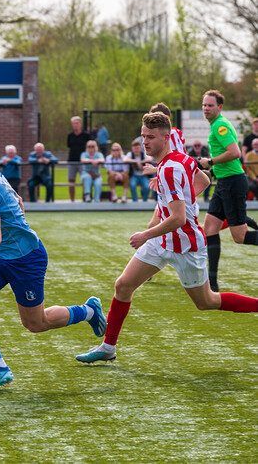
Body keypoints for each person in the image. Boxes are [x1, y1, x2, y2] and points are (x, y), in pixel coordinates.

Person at [75, 112, 258, 364]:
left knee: (207, 302)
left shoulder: (169, 169)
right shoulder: (181, 160)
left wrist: (145, 233)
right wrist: (178, 200)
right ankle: (108, 347)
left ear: (166, 137)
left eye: (150, 137)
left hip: (186, 246)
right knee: (123, 285)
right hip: (162, 242)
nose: (145, 142)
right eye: (142, 136)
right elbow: (202, 180)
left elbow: (179, 219)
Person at [0, 127, 106, 391]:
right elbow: (16, 198)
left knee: (35, 323)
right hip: (1, 254)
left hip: (25, 258)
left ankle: (88, 311)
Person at [198, 90, 258, 292]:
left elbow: (235, 152)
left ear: (219, 107)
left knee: (239, 237)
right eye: (204, 105)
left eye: (210, 105)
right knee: (210, 228)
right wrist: (212, 167)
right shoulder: (216, 125)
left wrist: (210, 162)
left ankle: (212, 283)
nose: (206, 108)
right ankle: (212, 284)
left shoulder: (220, 126)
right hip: (224, 183)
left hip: (232, 183)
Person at [66, 116, 92, 202]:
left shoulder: (86, 135)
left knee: (85, 179)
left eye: (77, 123)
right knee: (71, 181)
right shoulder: (70, 135)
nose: (75, 125)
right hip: (72, 161)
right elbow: (69, 146)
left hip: (83, 162)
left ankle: (84, 199)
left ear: (80, 124)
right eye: (73, 124)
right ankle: (72, 200)